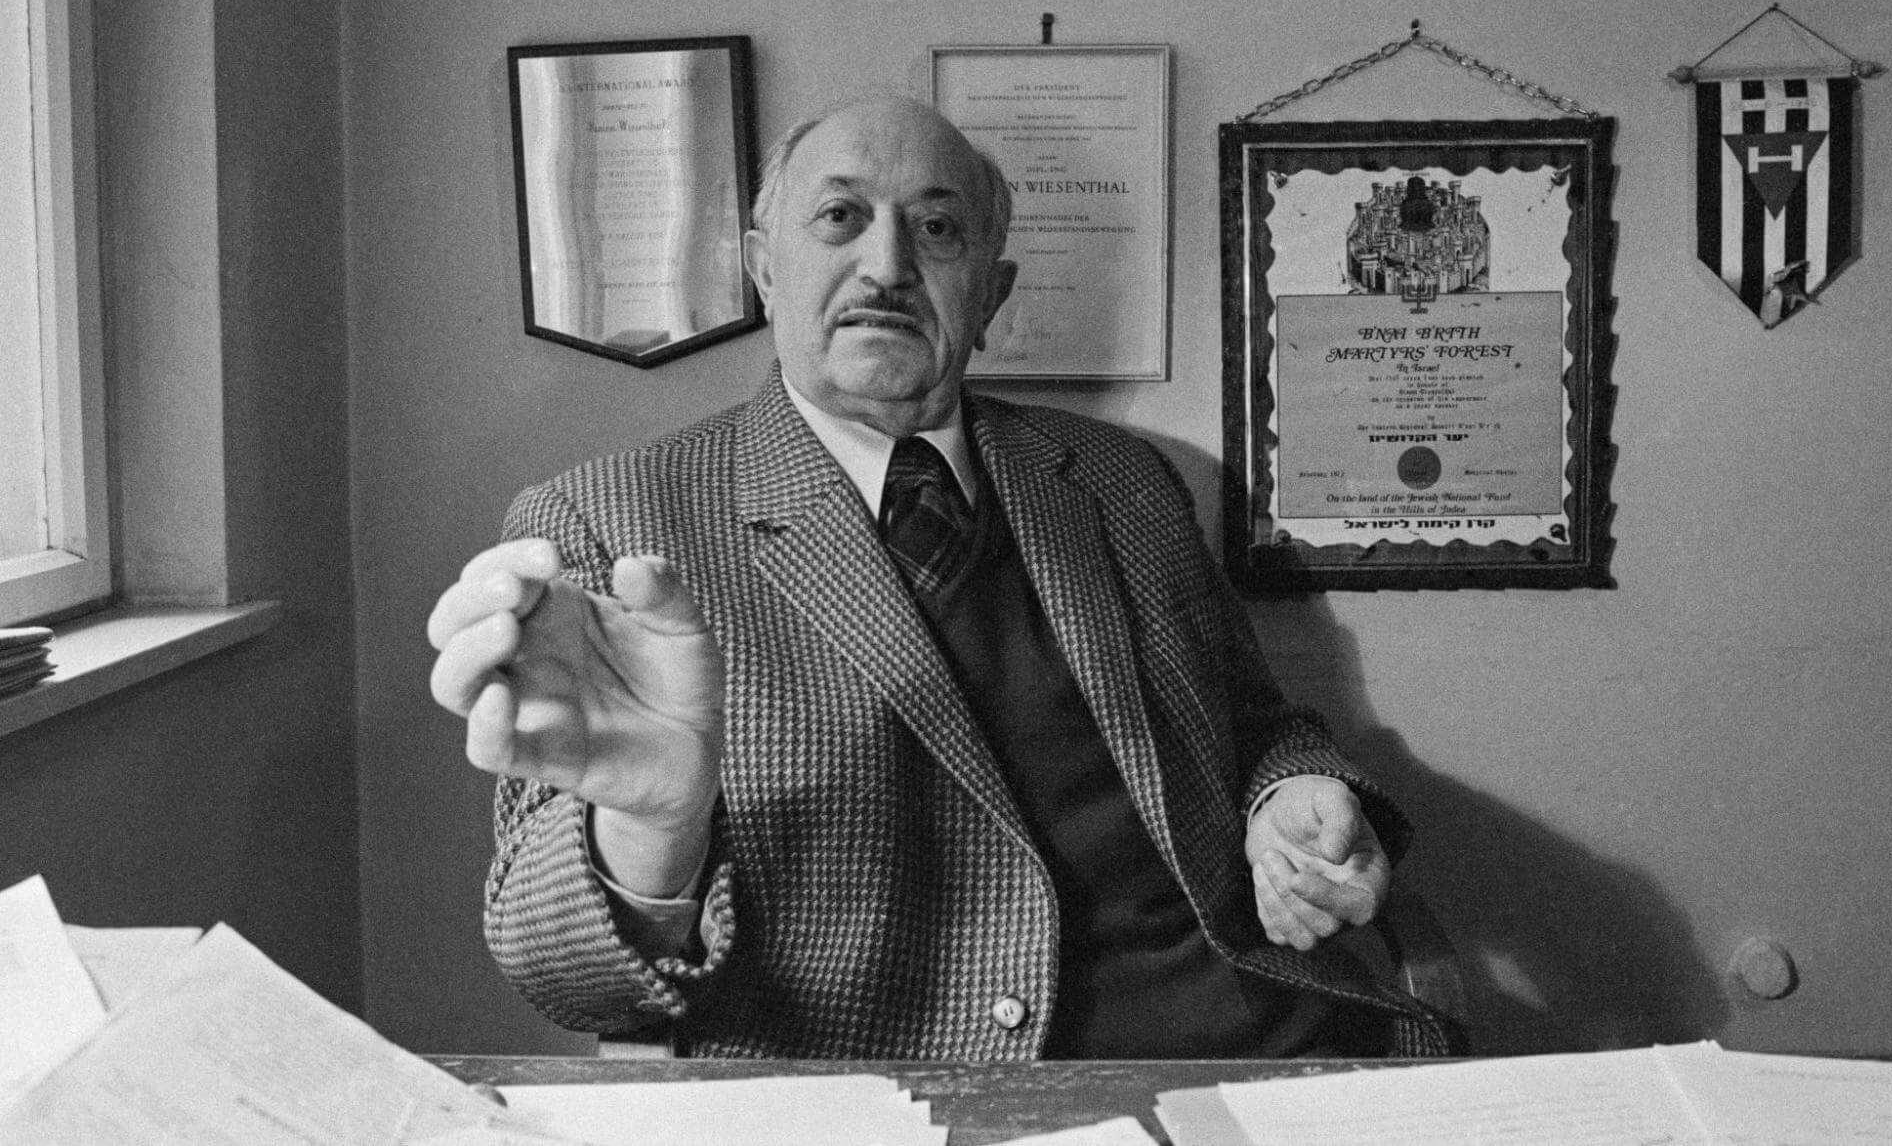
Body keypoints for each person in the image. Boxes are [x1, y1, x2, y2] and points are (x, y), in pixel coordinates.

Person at [426, 95, 1450, 1060]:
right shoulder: (605, 520)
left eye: (938, 230)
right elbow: (562, 972)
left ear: (990, 293)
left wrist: (1291, 795)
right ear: (763, 270)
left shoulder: (1119, 480)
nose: (886, 265)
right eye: (838, 218)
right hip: (901, 1093)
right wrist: (651, 830)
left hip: (1251, 1047)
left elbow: (1252, 725)